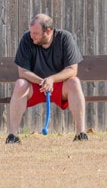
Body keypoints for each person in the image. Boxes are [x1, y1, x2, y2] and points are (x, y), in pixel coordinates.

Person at [6, 13, 88, 143]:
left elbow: (72, 69)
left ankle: (81, 134)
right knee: (20, 83)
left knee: (74, 82)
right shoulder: (27, 39)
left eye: (36, 33)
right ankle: (12, 136)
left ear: (48, 31)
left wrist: (51, 80)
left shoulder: (64, 38)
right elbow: (23, 72)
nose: (31, 36)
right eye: (31, 32)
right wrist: (41, 81)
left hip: (59, 86)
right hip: (35, 86)